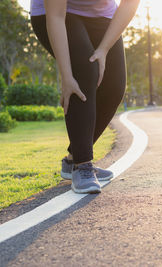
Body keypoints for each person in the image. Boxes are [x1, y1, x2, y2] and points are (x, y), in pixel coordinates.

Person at [30, 0, 140, 193]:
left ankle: (73, 159)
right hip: (55, 13)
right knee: (85, 72)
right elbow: (55, 16)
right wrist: (67, 76)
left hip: (102, 14)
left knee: (114, 86)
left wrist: (104, 49)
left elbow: (130, 3)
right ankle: (83, 165)